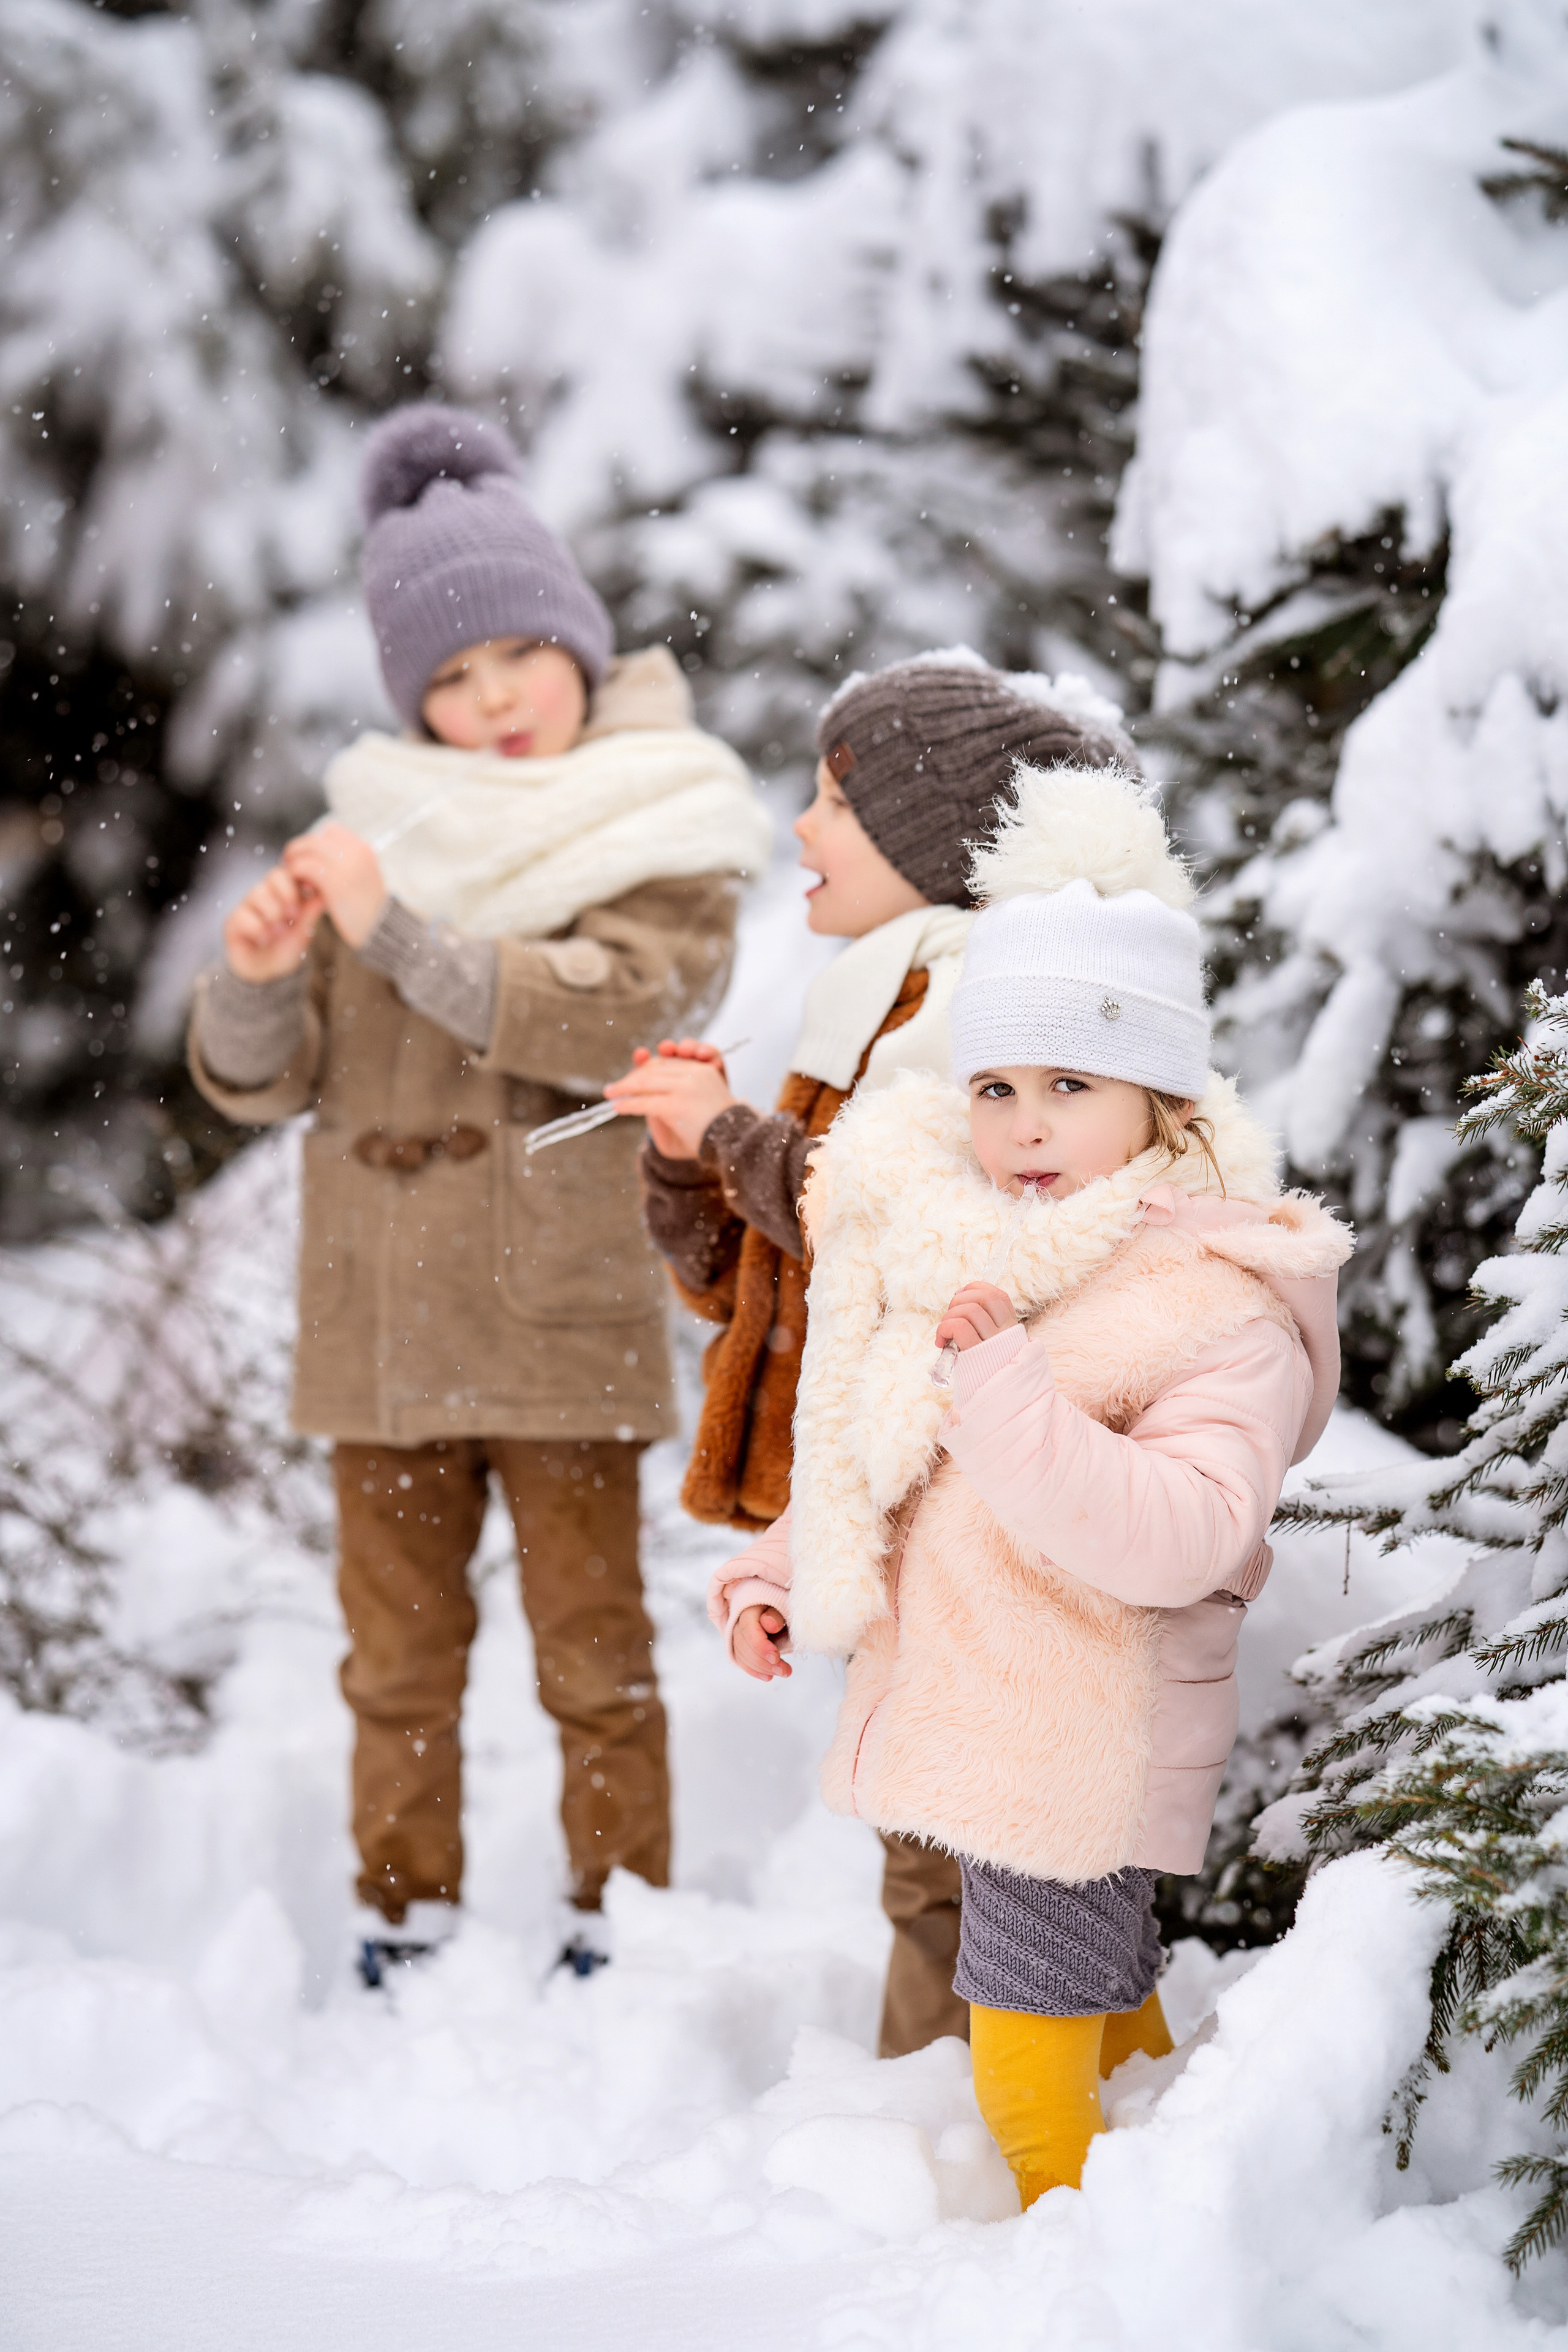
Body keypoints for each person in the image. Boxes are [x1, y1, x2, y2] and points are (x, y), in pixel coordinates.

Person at [707, 772, 1351, 2207]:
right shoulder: (983, 1249)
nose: (1026, 1125)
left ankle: (1073, 2257)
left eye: (1071, 1085)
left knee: (1021, 2073)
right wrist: (772, 1573)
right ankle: (1166, 2199)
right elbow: (886, 1451)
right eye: (996, 1087)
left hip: (1076, 1746)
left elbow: (1185, 1532)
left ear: (1159, 1100)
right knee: (1105, 2024)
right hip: (995, 1724)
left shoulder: (1212, 1300)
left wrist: (1003, 1390)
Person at [187, 402, 771, 1981]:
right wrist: (255, 976)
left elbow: (611, 1014)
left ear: (576, 641)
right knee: (394, 1662)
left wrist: (395, 929)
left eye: (517, 651)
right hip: (377, 1328)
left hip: (552, 1316)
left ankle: (619, 1920)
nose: (493, 697)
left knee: (592, 1653)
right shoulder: (377, 831)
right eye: (449, 675)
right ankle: (405, 1914)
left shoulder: (655, 824)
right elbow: (258, 1080)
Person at [604, 651, 1140, 2057]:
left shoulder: (981, 1018)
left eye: (837, 801)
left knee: (950, 1844)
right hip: (885, 1486)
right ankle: (981, 2094)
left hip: (956, 1493)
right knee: (928, 1829)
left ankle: (961, 2118)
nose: (802, 826)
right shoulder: (872, 1005)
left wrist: (733, 1139)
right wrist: (688, 1160)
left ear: (933, 837)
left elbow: (909, 1238)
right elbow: (763, 1285)